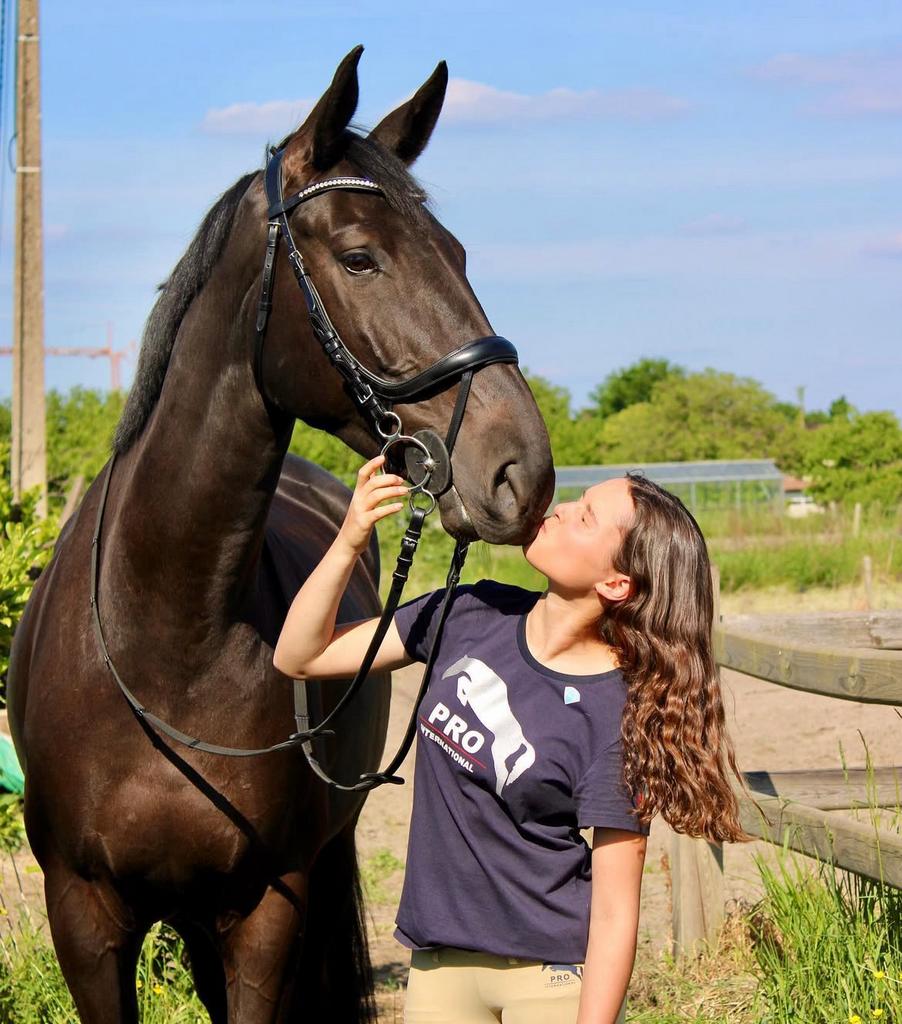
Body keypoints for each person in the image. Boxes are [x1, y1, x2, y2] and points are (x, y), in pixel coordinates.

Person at [273, 455, 748, 1024]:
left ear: (616, 582)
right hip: (439, 968)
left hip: (549, 981)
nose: (561, 508)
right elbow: (300, 655)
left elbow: (617, 914)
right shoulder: (469, 612)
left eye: (586, 517)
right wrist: (351, 539)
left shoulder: (617, 714)